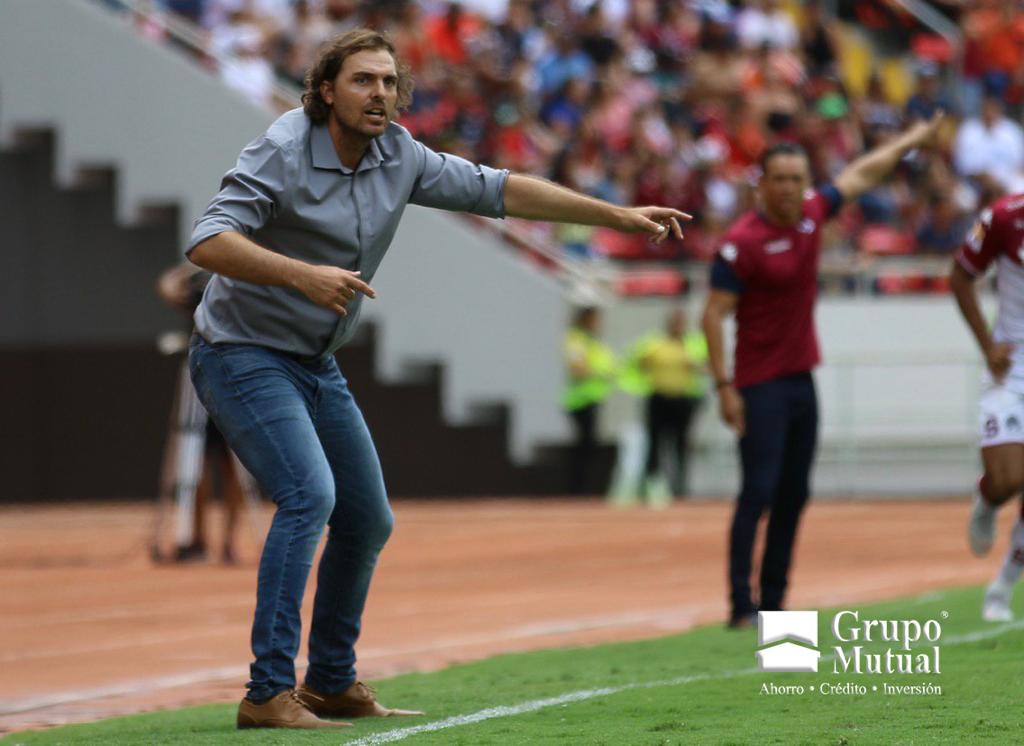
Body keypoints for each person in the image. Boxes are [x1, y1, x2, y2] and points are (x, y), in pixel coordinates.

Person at [185, 28, 689, 730]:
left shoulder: (401, 154)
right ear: (326, 89)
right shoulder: (282, 147)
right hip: (240, 351)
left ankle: (330, 681)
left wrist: (616, 216)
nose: (381, 94)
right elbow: (207, 239)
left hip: (315, 362)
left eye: (390, 82)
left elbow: (500, 190)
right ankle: (268, 690)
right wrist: (304, 276)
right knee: (310, 497)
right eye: (364, 80)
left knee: (366, 518)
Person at [701, 115, 941, 629]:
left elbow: (861, 174)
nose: (790, 188)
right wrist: (724, 386)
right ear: (761, 183)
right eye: (780, 178)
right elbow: (713, 313)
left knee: (795, 493)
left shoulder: (812, 215)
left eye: (797, 178)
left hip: (800, 378)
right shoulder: (741, 242)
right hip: (758, 381)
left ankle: (774, 604)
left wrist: (910, 140)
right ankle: (740, 606)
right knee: (758, 490)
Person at [950, 192, 1024, 623]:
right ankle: (987, 497)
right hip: (1011, 366)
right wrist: (987, 344)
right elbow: (960, 276)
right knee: (1009, 477)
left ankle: (1001, 588)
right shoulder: (1004, 216)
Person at [155, 263, 256, 565]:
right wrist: (192, 268)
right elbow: (167, 287)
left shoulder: (241, 290)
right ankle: (197, 539)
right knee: (194, 468)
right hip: (200, 382)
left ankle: (228, 542)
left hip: (232, 380)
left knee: (234, 469)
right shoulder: (197, 290)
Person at [636, 307, 708, 501]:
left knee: (680, 444)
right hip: (658, 398)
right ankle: (650, 486)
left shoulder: (693, 344)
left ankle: (680, 486)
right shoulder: (655, 342)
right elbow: (640, 362)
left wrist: (694, 364)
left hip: (682, 400)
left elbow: (705, 366)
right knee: (655, 443)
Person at [563, 306, 617, 495]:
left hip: (593, 398)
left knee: (589, 446)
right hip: (580, 400)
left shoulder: (592, 342)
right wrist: (601, 373)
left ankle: (584, 488)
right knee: (585, 446)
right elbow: (577, 369)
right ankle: (579, 490)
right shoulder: (577, 340)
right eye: (595, 319)